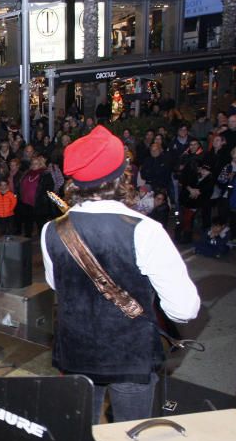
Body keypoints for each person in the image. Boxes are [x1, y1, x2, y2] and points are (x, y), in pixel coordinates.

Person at [41, 126, 200, 423]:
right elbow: (183, 310)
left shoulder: (52, 229)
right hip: (130, 355)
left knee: (81, 438)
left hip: (76, 351)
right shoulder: (145, 230)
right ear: (122, 174)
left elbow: (56, 284)